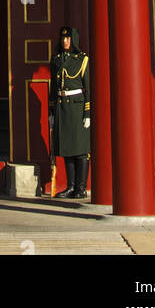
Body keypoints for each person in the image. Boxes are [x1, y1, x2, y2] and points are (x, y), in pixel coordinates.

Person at [48, 24, 91, 201]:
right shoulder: (57, 59)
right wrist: (51, 110)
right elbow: (53, 87)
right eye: (63, 38)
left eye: (68, 38)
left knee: (80, 150)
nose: (65, 41)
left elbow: (87, 87)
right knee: (66, 148)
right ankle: (71, 186)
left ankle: (80, 188)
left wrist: (87, 113)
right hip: (61, 106)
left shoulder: (82, 59)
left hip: (77, 106)